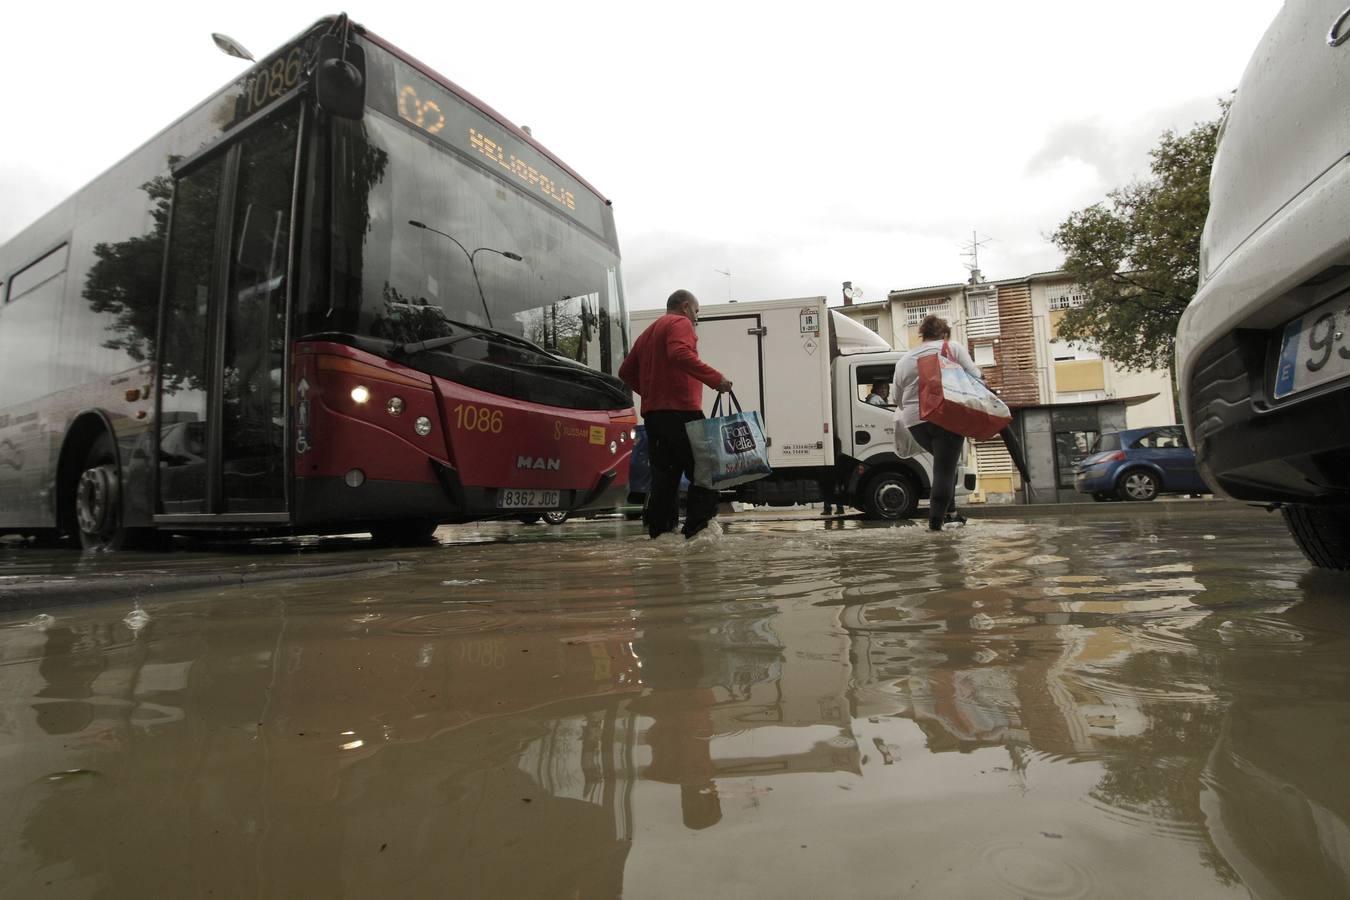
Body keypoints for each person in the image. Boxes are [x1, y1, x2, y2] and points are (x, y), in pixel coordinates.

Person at [619, 290, 732, 539]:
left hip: (655, 418)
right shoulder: (680, 322)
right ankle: (698, 530)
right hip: (683, 412)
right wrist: (716, 380)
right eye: (696, 311)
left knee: (665, 478)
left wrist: (650, 392)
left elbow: (625, 372)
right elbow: (679, 354)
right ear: (685, 307)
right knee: (707, 469)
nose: (696, 318)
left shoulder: (648, 333)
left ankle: (661, 533)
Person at [891, 314, 982, 531]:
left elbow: (896, 398)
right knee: (944, 469)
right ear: (943, 334)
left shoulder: (904, 360)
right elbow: (976, 376)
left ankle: (950, 514)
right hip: (947, 415)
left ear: (922, 334)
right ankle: (935, 526)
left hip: (915, 421)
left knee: (945, 464)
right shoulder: (952, 348)